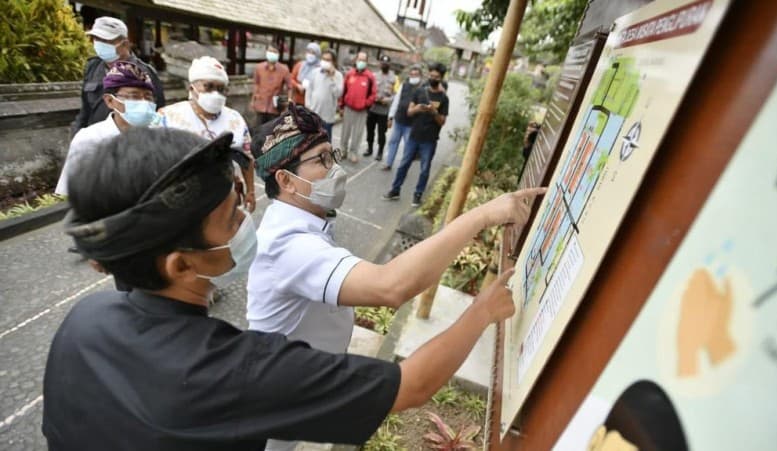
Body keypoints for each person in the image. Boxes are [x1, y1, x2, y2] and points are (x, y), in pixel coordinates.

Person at [43, 126, 519, 450]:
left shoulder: (84, 323)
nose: (247, 222)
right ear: (181, 264)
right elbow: (410, 385)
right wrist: (480, 312)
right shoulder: (238, 372)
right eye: (232, 218)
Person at [248, 105, 544, 451]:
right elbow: (392, 286)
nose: (336, 169)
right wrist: (483, 216)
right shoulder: (287, 246)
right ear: (285, 180)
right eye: (322, 160)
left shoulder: (300, 223)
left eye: (333, 155)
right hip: (276, 406)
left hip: (297, 387)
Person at [159, 56, 256, 212]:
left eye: (222, 89)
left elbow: (246, 159)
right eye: (208, 87)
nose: (216, 94)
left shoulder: (234, 119)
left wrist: (251, 190)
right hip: (181, 203)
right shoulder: (167, 117)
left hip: (224, 199)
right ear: (192, 89)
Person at [56, 60, 158, 196]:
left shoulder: (159, 137)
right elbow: (68, 194)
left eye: (148, 97)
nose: (144, 103)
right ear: (110, 101)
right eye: (134, 96)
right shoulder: (90, 139)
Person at [71, 16, 165, 138]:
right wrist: (77, 137)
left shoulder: (144, 72)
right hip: (95, 140)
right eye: (97, 39)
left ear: (125, 44)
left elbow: (158, 113)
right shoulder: (93, 67)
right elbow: (85, 111)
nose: (99, 44)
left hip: (130, 142)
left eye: (106, 40)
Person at [383, 63, 449, 207]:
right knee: (403, 164)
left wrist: (434, 112)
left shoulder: (444, 98)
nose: (433, 78)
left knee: (424, 169)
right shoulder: (420, 92)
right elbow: (409, 112)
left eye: (436, 77)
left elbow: (442, 121)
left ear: (441, 78)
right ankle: (395, 190)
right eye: (431, 76)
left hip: (430, 139)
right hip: (414, 135)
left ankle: (418, 194)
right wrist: (418, 109)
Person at [383, 65, 423, 170]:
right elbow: (396, 101)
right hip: (399, 120)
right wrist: (390, 117)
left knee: (408, 146)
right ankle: (388, 163)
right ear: (409, 75)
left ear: (420, 76)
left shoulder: (422, 89)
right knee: (393, 142)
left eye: (416, 75)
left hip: (411, 124)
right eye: (412, 74)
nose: (413, 76)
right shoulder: (404, 85)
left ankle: (404, 166)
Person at [339, 51, 376, 163]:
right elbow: (344, 90)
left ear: (366, 62)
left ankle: (353, 152)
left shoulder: (370, 77)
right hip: (348, 108)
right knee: (345, 131)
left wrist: (366, 103)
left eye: (363, 60)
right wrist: (341, 106)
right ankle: (343, 150)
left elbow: (373, 94)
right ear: (356, 60)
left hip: (362, 110)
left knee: (358, 133)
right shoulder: (350, 74)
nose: (361, 62)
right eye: (359, 59)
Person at [305, 48, 343, 139]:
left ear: (333, 62)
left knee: (325, 143)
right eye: (323, 59)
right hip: (313, 113)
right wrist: (308, 106)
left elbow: (338, 94)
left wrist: (331, 77)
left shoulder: (338, 76)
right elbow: (309, 90)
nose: (325, 61)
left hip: (327, 117)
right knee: (311, 141)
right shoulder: (315, 72)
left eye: (328, 60)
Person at [250, 44, 293, 125]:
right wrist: (253, 100)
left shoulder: (284, 69)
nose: (272, 53)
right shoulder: (259, 68)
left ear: (278, 54)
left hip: (275, 107)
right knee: (258, 129)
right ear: (266, 52)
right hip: (260, 104)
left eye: (274, 52)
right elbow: (256, 84)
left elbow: (290, 87)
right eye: (270, 51)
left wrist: (288, 102)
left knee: (272, 130)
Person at [364, 55, 396, 160]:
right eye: (382, 62)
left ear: (390, 65)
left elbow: (396, 95)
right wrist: (373, 98)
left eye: (386, 63)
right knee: (370, 130)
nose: (384, 64)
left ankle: (380, 152)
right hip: (373, 108)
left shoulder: (395, 78)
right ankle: (369, 148)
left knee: (381, 133)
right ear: (380, 63)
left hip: (384, 110)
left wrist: (387, 100)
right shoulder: (373, 76)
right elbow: (368, 91)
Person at [289, 42, 321, 107]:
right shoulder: (299, 65)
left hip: (312, 102)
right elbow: (291, 79)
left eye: (313, 53)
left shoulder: (320, 69)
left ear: (317, 55)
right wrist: (297, 85)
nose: (310, 55)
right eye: (309, 52)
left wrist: (309, 88)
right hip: (297, 99)